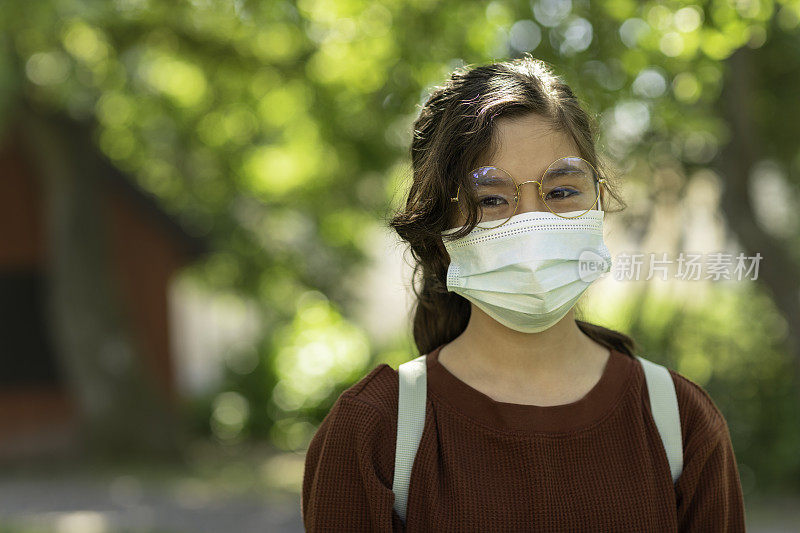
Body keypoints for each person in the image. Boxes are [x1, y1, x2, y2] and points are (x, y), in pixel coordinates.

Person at [302, 55, 746, 532]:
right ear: (438, 229)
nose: (531, 224)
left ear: (598, 204)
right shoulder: (373, 433)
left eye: (560, 192)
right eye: (492, 199)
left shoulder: (682, 423)